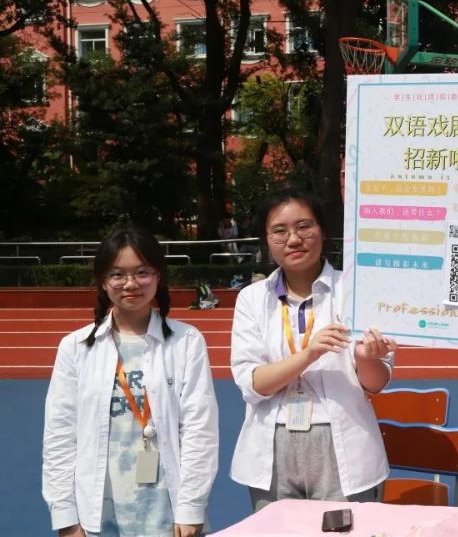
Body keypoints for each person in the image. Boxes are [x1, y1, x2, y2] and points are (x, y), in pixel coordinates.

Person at [42, 228, 218, 537]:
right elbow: (60, 435)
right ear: (102, 281)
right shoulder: (76, 347)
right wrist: (65, 515)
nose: (131, 283)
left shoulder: (186, 341)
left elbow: (199, 430)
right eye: (117, 274)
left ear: (158, 276)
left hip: (168, 511)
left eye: (142, 272)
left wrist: (191, 508)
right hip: (98, 512)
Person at [230, 188, 398, 510]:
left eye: (304, 226)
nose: (294, 239)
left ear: (323, 230)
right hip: (272, 447)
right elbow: (253, 384)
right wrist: (308, 355)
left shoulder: (358, 290)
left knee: (345, 530)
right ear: (267, 240)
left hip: (344, 444)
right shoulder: (251, 299)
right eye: (280, 231)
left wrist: (366, 359)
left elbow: (376, 384)